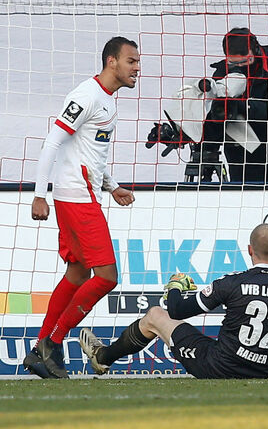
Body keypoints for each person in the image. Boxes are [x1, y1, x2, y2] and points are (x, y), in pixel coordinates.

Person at [78, 223, 268, 379]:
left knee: (155, 315)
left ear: (249, 250)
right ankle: (103, 358)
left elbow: (177, 311)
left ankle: (103, 358)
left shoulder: (232, 283)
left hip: (218, 366)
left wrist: (175, 287)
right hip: (263, 371)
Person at [23, 36, 140, 379]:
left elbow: (92, 155)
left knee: (77, 274)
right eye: (131, 61)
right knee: (107, 277)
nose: (137, 68)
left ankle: (41, 349)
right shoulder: (86, 96)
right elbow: (52, 142)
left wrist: (113, 186)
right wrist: (39, 194)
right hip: (77, 197)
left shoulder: (108, 101)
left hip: (79, 193)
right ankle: (53, 342)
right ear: (111, 61)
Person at [198, 27, 268, 183]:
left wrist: (245, 107)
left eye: (245, 61)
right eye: (233, 63)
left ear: (256, 51)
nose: (240, 67)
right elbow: (215, 112)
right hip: (239, 157)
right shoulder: (223, 71)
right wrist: (205, 145)